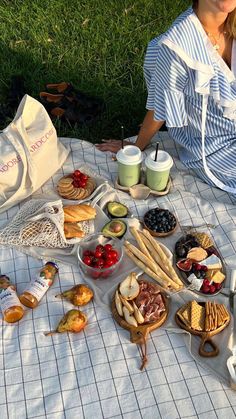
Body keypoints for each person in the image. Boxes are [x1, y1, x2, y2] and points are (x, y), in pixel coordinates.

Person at [96, 1, 236, 193]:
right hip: (216, 148)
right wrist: (137, 147)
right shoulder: (177, 47)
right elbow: (160, 106)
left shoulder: (231, 26)